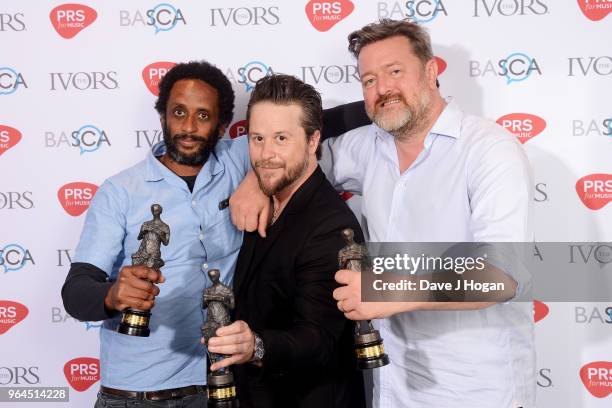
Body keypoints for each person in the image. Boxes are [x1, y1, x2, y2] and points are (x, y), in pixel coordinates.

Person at [230, 20, 535, 408]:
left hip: (477, 390)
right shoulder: (366, 146)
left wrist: (387, 289)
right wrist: (255, 182)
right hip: (392, 387)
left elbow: (502, 275)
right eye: (369, 80)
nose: (382, 89)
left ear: (430, 71)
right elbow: (297, 158)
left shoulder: (490, 151)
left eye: (394, 72)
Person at [61, 60, 250, 407]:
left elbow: (308, 124)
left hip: (221, 386)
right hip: (140, 396)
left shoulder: (240, 161)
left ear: (223, 125)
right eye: (178, 112)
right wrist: (113, 295)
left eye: (203, 116)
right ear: (162, 116)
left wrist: (381, 100)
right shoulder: (120, 191)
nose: (189, 127)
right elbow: (75, 292)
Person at [207, 74, 366, 408]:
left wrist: (256, 346)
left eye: (281, 138)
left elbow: (321, 338)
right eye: (258, 138)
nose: (266, 154)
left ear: (312, 142)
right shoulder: (265, 199)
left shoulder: (332, 227)